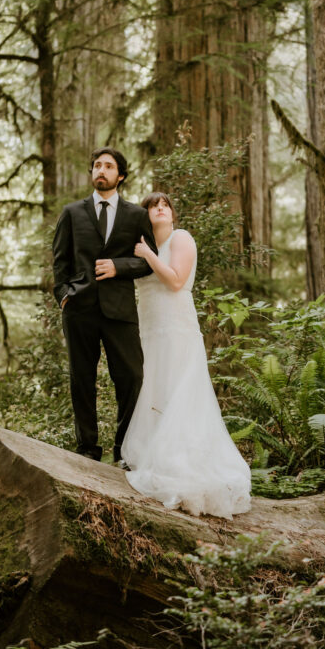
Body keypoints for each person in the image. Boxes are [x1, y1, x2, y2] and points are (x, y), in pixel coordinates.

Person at [121, 193, 251, 520]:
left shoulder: (180, 239)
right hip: (149, 327)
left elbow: (177, 280)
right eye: (153, 205)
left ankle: (184, 461)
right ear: (146, 215)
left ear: (173, 214)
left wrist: (149, 255)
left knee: (179, 391)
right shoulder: (141, 244)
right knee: (153, 389)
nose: (160, 208)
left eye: (165, 204)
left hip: (176, 327)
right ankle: (153, 454)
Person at [52, 147, 157, 462]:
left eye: (109, 166)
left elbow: (149, 261)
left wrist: (118, 267)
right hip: (79, 308)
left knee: (131, 376)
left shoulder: (137, 215)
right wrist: (64, 296)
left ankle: (124, 449)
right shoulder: (72, 213)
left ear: (120, 176)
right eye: (97, 165)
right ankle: (87, 448)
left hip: (120, 309)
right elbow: (60, 260)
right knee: (81, 377)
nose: (102, 170)